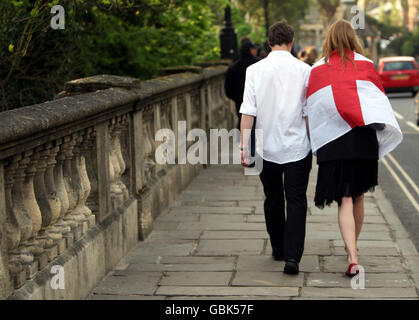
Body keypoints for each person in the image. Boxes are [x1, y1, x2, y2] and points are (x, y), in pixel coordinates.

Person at [306, 20, 403, 277]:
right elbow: (378, 101)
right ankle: (354, 251)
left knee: (345, 199)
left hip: (335, 142)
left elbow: (313, 109)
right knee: (358, 195)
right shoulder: (367, 65)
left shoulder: (317, 69)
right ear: (353, 39)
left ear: (329, 40)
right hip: (362, 140)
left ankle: (352, 255)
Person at [239, 21, 312, 275]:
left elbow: (248, 112)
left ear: (269, 43)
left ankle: (278, 248)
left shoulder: (255, 70)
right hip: (297, 147)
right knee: (296, 200)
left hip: (264, 147)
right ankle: (292, 257)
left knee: (272, 198)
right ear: (291, 42)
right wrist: (315, 144)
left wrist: (243, 148)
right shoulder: (305, 70)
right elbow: (307, 114)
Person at [225, 41, 259, 131]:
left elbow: (228, 88)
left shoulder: (234, 67)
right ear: (251, 50)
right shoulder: (259, 64)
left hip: (240, 101)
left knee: (243, 121)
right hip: (257, 100)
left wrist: (236, 97)